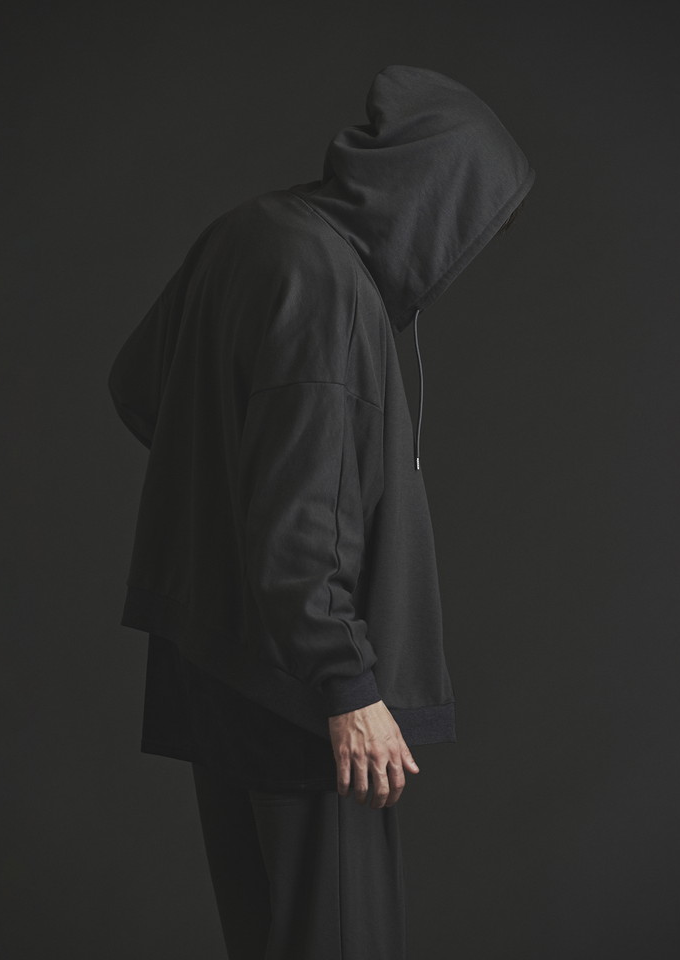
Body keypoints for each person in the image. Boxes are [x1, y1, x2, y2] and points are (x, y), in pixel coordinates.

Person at [107, 63, 534, 960]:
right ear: (432, 194)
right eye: (472, 217)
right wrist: (348, 687)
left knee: (267, 936)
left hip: (217, 666)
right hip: (306, 699)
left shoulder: (244, 234)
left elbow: (140, 386)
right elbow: (305, 519)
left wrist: (232, 507)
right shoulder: (331, 288)